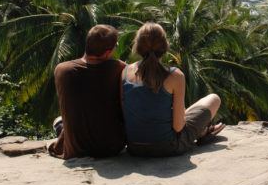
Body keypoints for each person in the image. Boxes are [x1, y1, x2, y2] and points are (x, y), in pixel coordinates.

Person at [122, 22, 224, 157]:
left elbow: (124, 113)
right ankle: (202, 132)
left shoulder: (125, 72)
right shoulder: (175, 75)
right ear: (164, 46)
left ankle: (201, 131)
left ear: (138, 46)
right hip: (168, 147)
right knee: (214, 99)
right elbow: (178, 127)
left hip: (134, 147)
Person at [48, 25, 126, 159]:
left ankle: (61, 127)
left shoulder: (62, 70)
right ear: (107, 52)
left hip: (75, 151)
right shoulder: (119, 68)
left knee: (60, 121)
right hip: (112, 147)